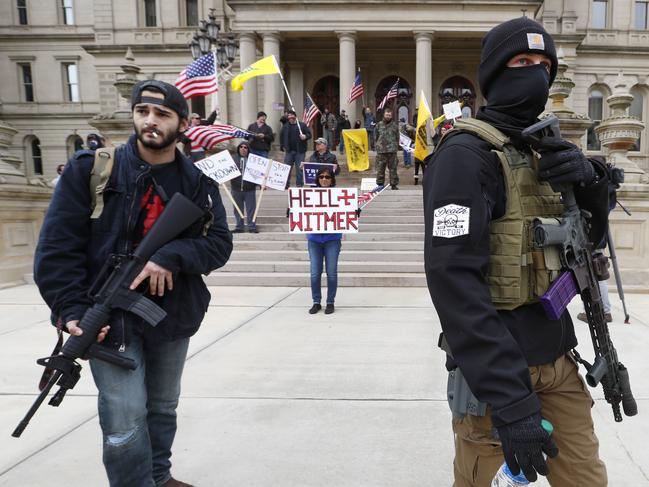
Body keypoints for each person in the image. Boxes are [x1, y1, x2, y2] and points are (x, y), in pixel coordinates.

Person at [423, 17, 609, 486]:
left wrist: (589, 191)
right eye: (522, 62)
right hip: (495, 377)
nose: (536, 75)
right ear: (493, 74)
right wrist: (510, 400)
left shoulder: (544, 151)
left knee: (587, 479)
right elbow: (454, 284)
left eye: (545, 65)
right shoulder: (464, 157)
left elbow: (585, 251)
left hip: (559, 360)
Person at [33, 79, 233, 487]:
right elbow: (56, 250)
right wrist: (70, 311)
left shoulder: (198, 182)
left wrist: (169, 257)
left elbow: (218, 245)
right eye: (143, 111)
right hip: (107, 317)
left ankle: (159, 477)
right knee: (124, 417)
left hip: (171, 314)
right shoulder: (91, 169)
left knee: (162, 406)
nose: (150, 121)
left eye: (162, 114)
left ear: (182, 122)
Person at [306, 167, 342, 315]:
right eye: (321, 177)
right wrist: (292, 211)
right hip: (314, 239)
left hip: (332, 239)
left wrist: (354, 212)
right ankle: (316, 302)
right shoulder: (308, 195)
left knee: (331, 273)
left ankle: (330, 302)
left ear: (332, 179)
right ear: (317, 179)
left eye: (327, 177)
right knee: (315, 273)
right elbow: (301, 211)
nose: (324, 179)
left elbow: (346, 213)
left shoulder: (339, 195)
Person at [230, 141, 258, 233]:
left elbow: (258, 173)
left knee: (251, 210)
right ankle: (239, 227)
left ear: (248, 149)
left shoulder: (253, 160)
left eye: (245, 147)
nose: (243, 149)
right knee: (237, 209)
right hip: (236, 189)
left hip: (249, 189)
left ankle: (252, 227)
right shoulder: (233, 158)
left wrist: (261, 183)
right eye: (241, 147)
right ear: (238, 148)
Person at [280, 110, 312, 187]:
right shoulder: (285, 126)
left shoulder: (302, 125)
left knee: (299, 169)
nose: (290, 117)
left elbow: (309, 134)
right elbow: (281, 136)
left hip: (300, 151)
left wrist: (305, 136)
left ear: (295, 117)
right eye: (289, 116)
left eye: (292, 116)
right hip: (289, 151)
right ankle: (286, 184)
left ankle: (299, 184)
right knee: (286, 168)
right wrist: (282, 146)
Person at [374, 107, 400, 189]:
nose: (388, 116)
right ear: (384, 115)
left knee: (393, 168)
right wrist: (378, 145)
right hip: (381, 151)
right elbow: (376, 136)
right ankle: (380, 184)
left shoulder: (395, 126)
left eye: (389, 115)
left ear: (391, 116)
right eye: (387, 114)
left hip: (392, 151)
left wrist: (395, 146)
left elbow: (397, 137)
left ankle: (394, 184)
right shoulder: (379, 125)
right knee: (380, 168)